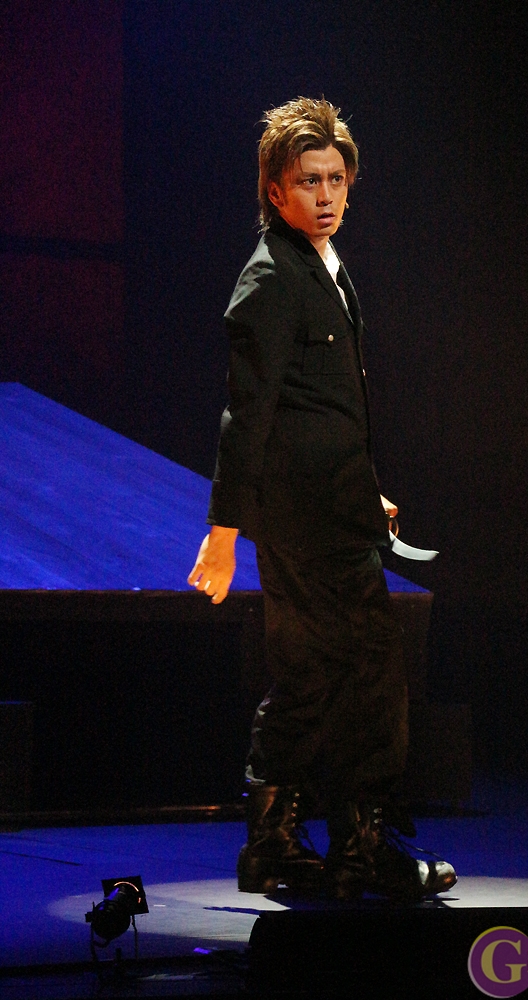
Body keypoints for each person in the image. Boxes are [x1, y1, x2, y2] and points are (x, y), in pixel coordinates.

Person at [188, 97, 455, 901]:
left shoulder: (319, 264)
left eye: (337, 179)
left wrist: (363, 491)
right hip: (307, 524)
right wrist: (223, 531)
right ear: (275, 190)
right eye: (310, 181)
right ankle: (361, 849)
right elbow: (249, 413)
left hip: (328, 509)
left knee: (308, 676)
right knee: (370, 674)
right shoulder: (273, 276)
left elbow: (317, 407)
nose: (327, 195)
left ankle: (273, 847)